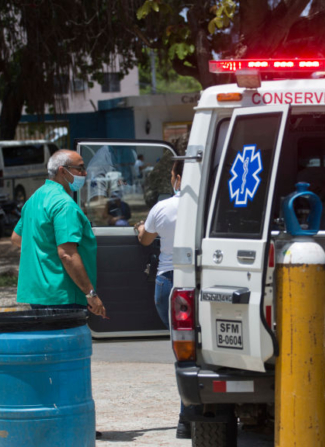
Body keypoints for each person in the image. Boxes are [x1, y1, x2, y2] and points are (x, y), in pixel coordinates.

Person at [11, 150, 107, 317]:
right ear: (63, 171)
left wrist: (45, 252)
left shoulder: (35, 198)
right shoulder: (64, 205)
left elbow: (17, 238)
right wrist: (90, 294)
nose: (84, 173)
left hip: (38, 294)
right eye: (80, 168)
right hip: (63, 295)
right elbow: (67, 254)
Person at [134, 160, 190, 439]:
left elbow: (145, 240)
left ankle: (186, 420)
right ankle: (190, 415)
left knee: (182, 349)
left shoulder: (163, 207)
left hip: (168, 284)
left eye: (171, 175)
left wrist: (139, 228)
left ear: (178, 178)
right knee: (199, 351)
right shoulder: (211, 206)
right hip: (200, 281)